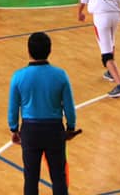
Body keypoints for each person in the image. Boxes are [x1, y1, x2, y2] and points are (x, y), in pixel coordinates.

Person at [8, 32, 80, 195]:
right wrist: (70, 127)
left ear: (28, 51)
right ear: (50, 50)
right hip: (54, 130)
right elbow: (69, 106)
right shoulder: (60, 75)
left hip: (30, 131)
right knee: (58, 177)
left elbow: (13, 108)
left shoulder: (18, 76)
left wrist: (14, 129)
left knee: (31, 178)